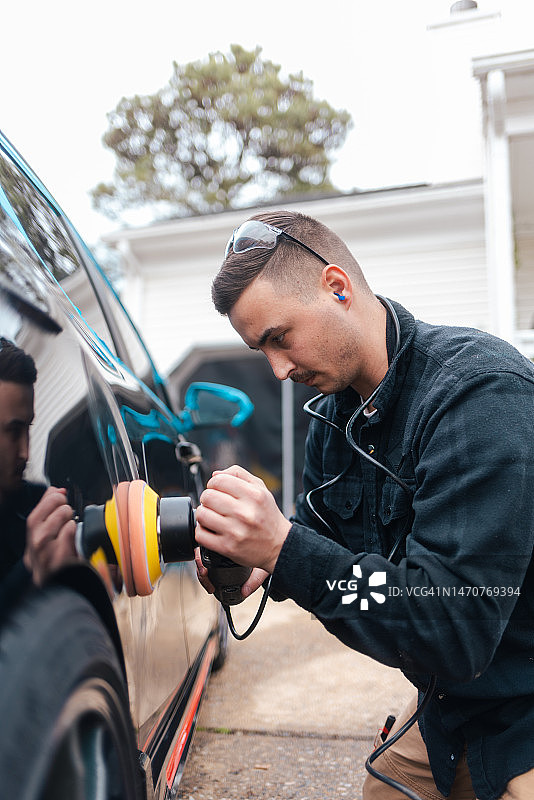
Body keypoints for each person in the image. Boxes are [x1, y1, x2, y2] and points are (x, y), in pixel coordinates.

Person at [195, 210, 534, 800]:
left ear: (337, 287)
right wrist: (260, 563)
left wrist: (285, 549)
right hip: (453, 699)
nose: (277, 370)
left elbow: (454, 627)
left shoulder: (480, 398)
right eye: (260, 350)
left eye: (280, 337)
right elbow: (324, 543)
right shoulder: (335, 416)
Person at [0, 337, 77, 598]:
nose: (25, 452)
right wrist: (31, 571)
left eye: (28, 428)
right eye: (12, 431)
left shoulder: (38, 504)